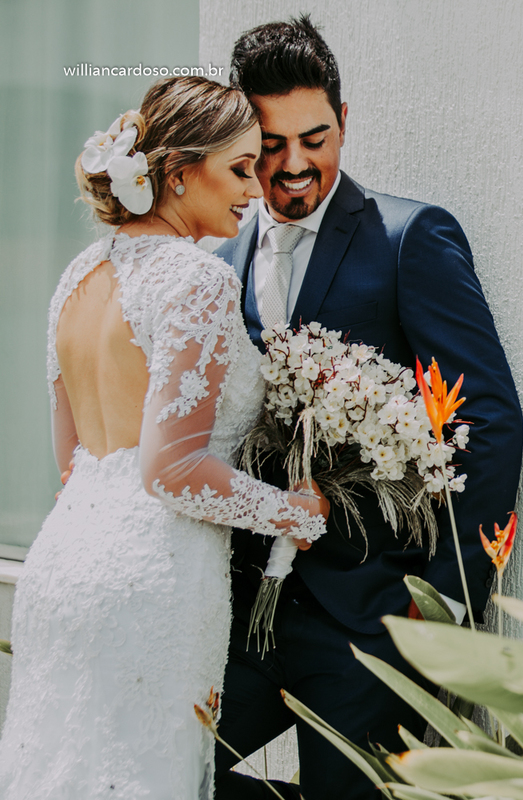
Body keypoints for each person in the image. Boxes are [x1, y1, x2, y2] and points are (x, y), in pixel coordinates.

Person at [212, 16, 523, 800]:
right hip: (241, 615)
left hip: (370, 623)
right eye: (271, 145)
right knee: (163, 770)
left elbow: (484, 420)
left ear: (345, 122)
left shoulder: (408, 238)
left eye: (313, 138)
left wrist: (442, 609)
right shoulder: (217, 258)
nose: (292, 167)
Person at [0, 76, 329, 799]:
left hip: (62, 567)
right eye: (241, 167)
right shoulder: (196, 279)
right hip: (150, 581)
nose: (258, 186)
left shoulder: (78, 276)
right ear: (180, 173)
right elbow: (171, 471)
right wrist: (296, 512)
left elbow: (74, 460)